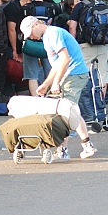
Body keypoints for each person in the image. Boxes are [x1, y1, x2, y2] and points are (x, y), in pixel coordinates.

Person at [19, 16, 96, 158]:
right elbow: (56, 65)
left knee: (65, 112)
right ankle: (84, 146)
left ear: (36, 24)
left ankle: (64, 150)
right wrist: (46, 84)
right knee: (70, 111)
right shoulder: (48, 37)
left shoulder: (53, 34)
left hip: (74, 74)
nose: (31, 37)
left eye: (30, 33)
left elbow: (65, 59)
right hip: (71, 75)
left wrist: (55, 82)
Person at [68, 0, 108, 101]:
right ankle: (100, 104)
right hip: (103, 43)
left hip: (85, 44)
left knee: (85, 75)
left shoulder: (80, 6)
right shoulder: (104, 5)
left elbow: (72, 26)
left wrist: (73, 44)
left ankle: (88, 106)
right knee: (102, 76)